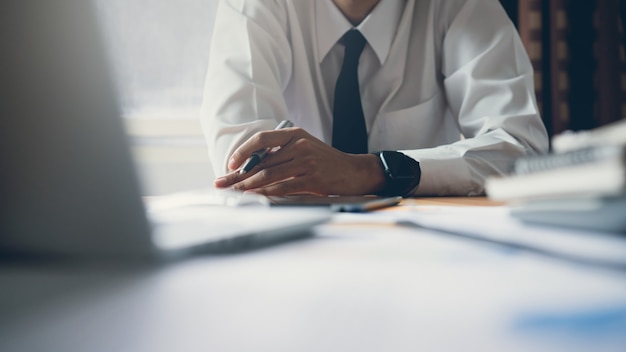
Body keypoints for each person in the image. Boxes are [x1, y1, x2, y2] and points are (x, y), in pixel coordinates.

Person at [201, 0, 548, 197]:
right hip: (296, 255)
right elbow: (242, 164)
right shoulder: (256, 6)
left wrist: (371, 171)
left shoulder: (460, 5)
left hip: (424, 253)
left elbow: (521, 150)